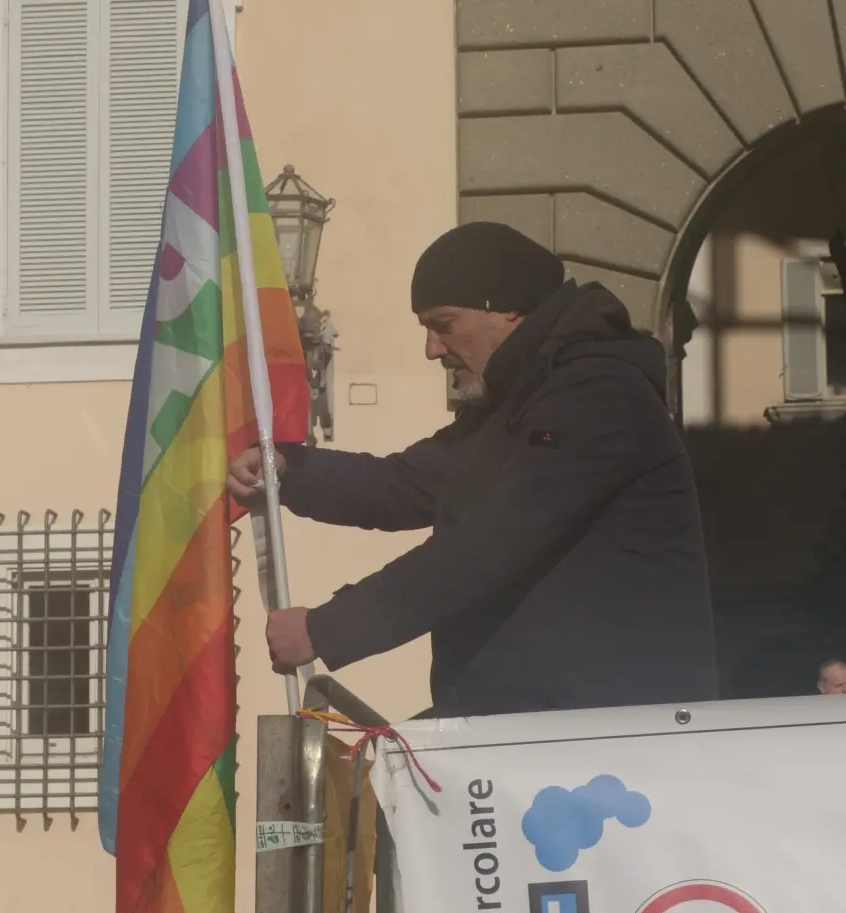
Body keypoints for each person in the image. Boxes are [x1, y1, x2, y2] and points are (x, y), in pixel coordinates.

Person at [227, 221, 718, 717]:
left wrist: (326, 630)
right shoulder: (516, 404)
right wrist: (288, 470)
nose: (432, 349)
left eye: (443, 324)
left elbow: (489, 544)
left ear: (506, 308)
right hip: (529, 719)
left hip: (611, 730)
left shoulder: (598, 395)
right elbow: (402, 484)